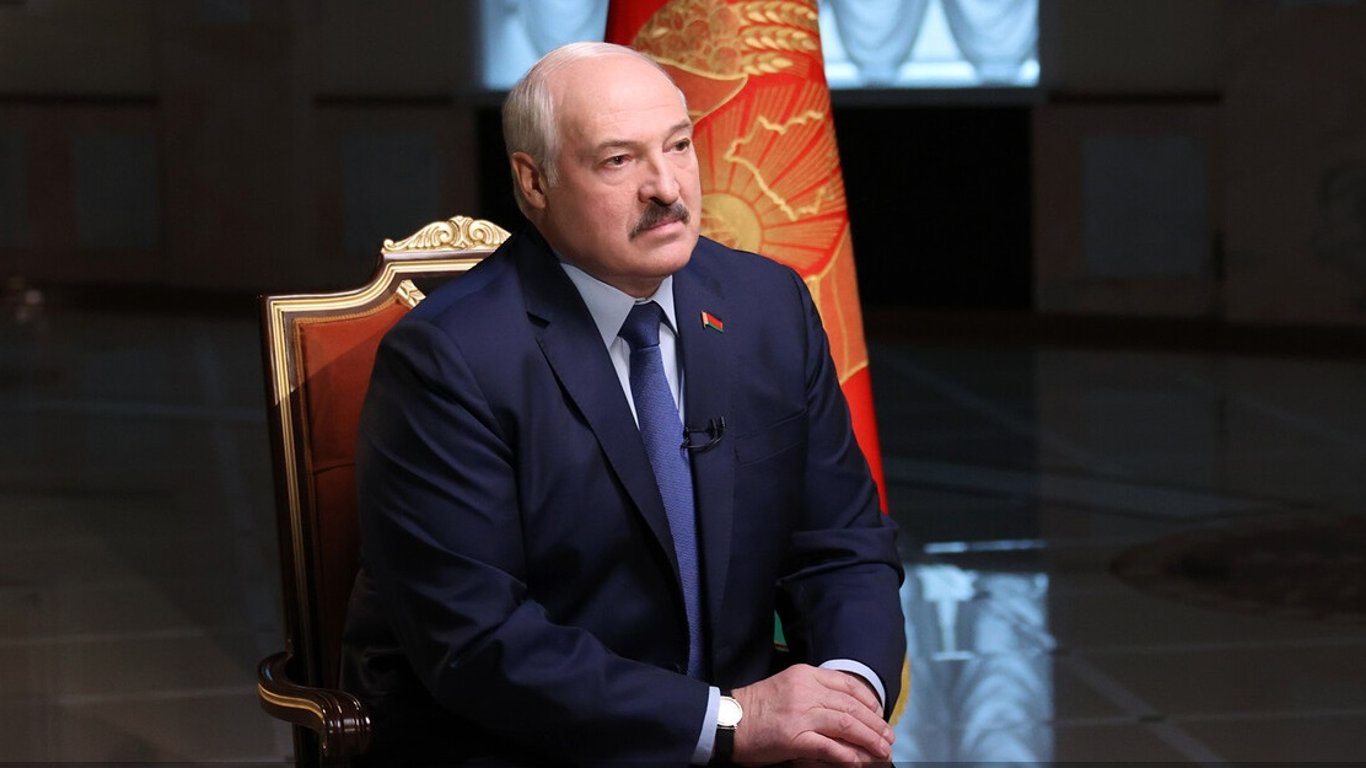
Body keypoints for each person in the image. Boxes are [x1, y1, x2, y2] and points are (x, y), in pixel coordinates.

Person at [339, 41, 906, 766]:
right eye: (618, 160)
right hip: (532, 747)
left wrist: (846, 693)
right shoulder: (448, 359)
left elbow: (844, 546)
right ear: (534, 181)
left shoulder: (769, 305)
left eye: (678, 146)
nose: (666, 187)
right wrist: (727, 722)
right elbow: (478, 641)